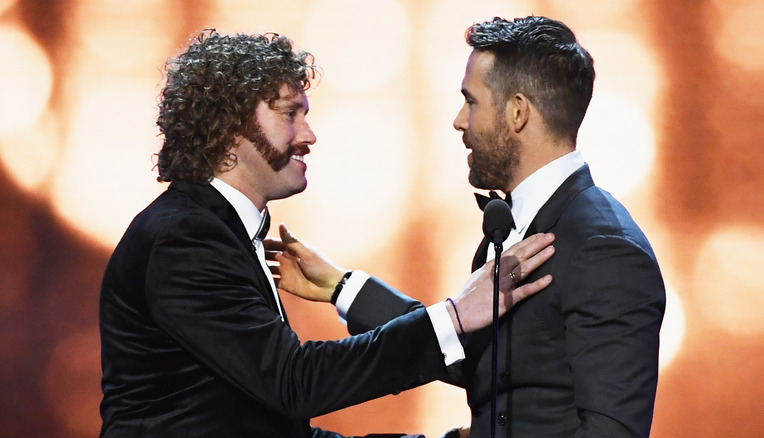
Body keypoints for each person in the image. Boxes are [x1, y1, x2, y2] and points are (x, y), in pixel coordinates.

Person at [98, 29, 556, 438]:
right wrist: (454, 315)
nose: (309, 134)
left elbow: (271, 424)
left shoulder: (214, 230)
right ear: (228, 128)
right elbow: (295, 385)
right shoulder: (184, 240)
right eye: (289, 114)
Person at [277, 16, 666, 438]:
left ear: (517, 112)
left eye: (471, 101)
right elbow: (482, 358)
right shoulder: (508, 229)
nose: (460, 121)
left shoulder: (605, 248)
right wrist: (343, 287)